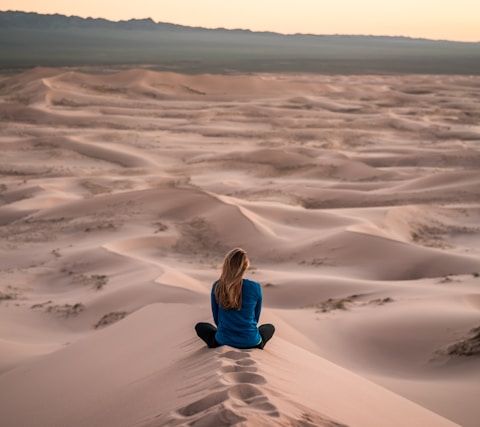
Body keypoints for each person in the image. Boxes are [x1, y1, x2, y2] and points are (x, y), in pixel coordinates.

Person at [195, 247, 275, 350]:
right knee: (269, 327)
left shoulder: (218, 286)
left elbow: (217, 319)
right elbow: (256, 318)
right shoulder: (255, 287)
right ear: (245, 266)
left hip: (223, 341)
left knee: (201, 327)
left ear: (226, 265)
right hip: (251, 342)